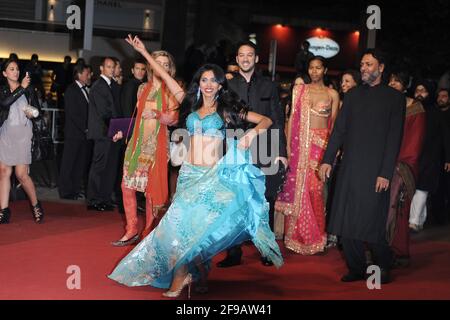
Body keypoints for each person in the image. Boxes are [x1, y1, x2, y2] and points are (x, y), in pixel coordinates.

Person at [108, 35, 282, 298]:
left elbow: (266, 120)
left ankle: (182, 278)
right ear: (199, 84)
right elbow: (165, 77)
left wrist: (249, 135)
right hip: (189, 175)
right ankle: (194, 273)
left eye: (214, 80)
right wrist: (144, 52)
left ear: (221, 84)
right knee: (181, 227)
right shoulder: (189, 104)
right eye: (204, 80)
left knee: (198, 229)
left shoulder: (226, 109)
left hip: (212, 177)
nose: (209, 84)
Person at [319, 49, 406, 284]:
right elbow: (339, 131)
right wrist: (327, 159)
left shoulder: (395, 98)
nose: (364, 68)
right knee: (345, 219)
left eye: (369, 64)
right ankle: (356, 267)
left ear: (381, 67)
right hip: (350, 167)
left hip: (377, 170)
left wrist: (385, 173)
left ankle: (383, 265)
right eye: (362, 64)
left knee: (372, 221)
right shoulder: (354, 95)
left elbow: (394, 138)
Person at [217, 41, 288, 267]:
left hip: (265, 148)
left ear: (256, 59)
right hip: (235, 148)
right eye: (241, 55)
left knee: (263, 200)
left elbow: (277, 120)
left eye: (250, 55)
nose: (245, 59)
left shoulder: (269, 86)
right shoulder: (227, 87)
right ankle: (234, 252)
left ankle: (266, 249)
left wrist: (282, 152)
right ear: (236, 59)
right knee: (233, 200)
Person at [111, 49, 180, 246]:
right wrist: (123, 132)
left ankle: (148, 232)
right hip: (136, 144)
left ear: (170, 69)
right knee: (126, 187)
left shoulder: (171, 90)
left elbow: (174, 119)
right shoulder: (142, 89)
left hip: (156, 147)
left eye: (165, 64)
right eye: (157, 62)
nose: (161, 67)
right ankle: (131, 229)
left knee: (151, 192)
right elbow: (137, 117)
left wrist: (159, 115)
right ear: (151, 65)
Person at [275, 56, 339, 255]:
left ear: (325, 70)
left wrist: (332, 150)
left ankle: (317, 235)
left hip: (321, 146)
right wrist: (287, 147)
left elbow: (334, 125)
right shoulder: (300, 91)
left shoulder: (332, 94)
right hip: (300, 147)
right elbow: (292, 118)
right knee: (301, 189)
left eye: (318, 68)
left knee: (316, 189)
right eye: (311, 68)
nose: (314, 71)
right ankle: (296, 237)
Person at [386, 70, 426, 267]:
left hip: (403, 166)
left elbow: (414, 143)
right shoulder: (384, 104)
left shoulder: (415, 108)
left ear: (405, 85)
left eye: (397, 81)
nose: (393, 84)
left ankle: (398, 250)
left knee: (399, 208)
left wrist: (400, 166)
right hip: (383, 164)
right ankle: (379, 248)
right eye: (391, 81)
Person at [0, 59, 44, 224]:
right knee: (4, 172)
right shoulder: (3, 90)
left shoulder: (29, 89)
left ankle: (35, 204)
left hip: (23, 134)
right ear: (5, 73)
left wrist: (32, 112)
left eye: (17, 69)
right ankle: (4, 210)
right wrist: (22, 88)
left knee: (21, 174)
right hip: (5, 133)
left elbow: (37, 111)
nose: (16, 71)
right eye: (11, 69)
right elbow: (5, 103)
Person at [409, 81, 450, 231]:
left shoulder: (436, 113)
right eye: (417, 90)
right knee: (417, 188)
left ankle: (413, 221)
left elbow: (446, 136)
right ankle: (419, 220)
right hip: (413, 155)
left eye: (423, 91)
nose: (420, 94)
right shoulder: (411, 110)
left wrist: (447, 158)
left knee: (422, 188)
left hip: (431, 157)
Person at [86, 57, 122, 211]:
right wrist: (114, 130)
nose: (111, 69)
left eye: (113, 67)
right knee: (99, 166)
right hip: (102, 133)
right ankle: (94, 200)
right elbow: (104, 113)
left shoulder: (111, 85)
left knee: (109, 167)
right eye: (108, 67)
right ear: (101, 68)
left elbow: (114, 110)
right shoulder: (99, 86)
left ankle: (104, 198)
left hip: (110, 132)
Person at [58, 63, 92, 200]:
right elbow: (73, 114)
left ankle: (75, 190)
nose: (89, 76)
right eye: (87, 73)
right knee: (69, 163)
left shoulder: (86, 90)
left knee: (79, 164)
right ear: (79, 74)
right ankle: (66, 191)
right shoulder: (71, 90)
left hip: (83, 134)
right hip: (74, 134)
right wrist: (85, 127)